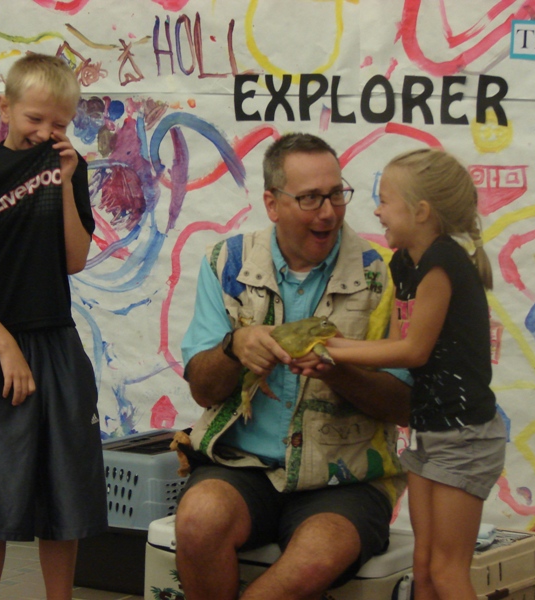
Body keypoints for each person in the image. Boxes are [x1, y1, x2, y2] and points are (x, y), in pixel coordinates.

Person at [175, 132, 413, 600]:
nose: (328, 212)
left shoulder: (385, 273)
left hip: (345, 479)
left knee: (317, 557)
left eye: (336, 194)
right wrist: (234, 347)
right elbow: (203, 391)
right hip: (242, 466)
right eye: (310, 198)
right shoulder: (226, 263)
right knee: (199, 520)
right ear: (272, 203)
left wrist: (337, 370)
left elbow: (404, 405)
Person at [0, 53, 107, 600]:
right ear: (5, 107)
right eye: (34, 118)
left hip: (58, 342)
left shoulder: (70, 170)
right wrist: (5, 346)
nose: (45, 132)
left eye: (59, 123)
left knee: (65, 495)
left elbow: (74, 260)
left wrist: (69, 182)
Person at [325, 148, 507, 600]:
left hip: (464, 435)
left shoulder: (443, 263)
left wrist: (334, 351)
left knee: (446, 572)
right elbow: (392, 344)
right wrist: (330, 350)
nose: (377, 211)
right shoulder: (404, 262)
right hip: (430, 429)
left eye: (385, 201)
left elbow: (413, 350)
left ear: (421, 211)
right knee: (423, 570)